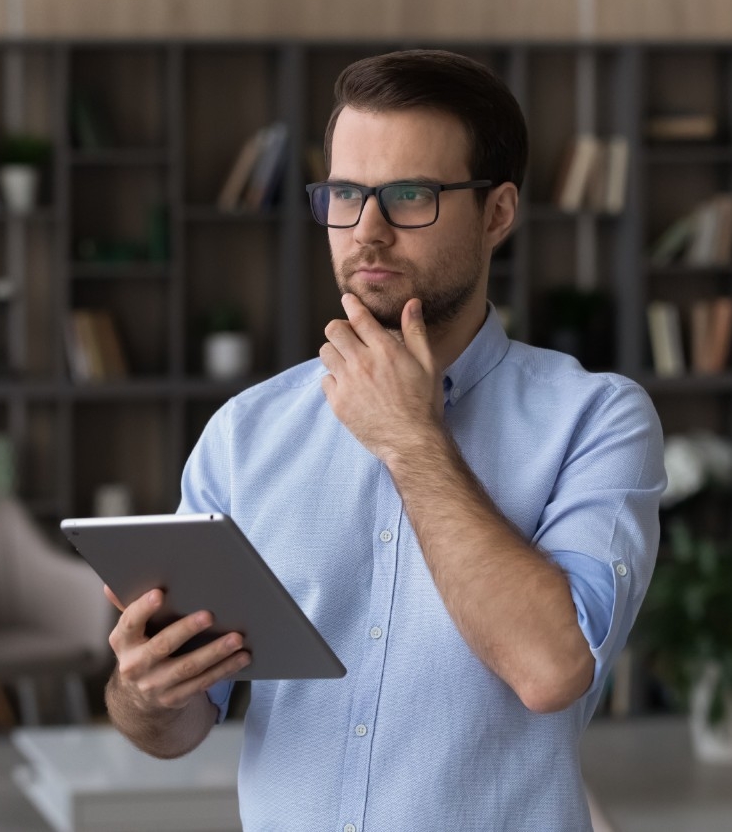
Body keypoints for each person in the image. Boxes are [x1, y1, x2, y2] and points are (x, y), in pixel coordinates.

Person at [103, 49, 665, 830]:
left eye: (409, 196)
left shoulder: (597, 418)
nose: (367, 231)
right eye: (344, 194)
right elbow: (181, 724)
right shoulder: (246, 433)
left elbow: (551, 669)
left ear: (498, 212)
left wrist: (409, 437)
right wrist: (142, 693)